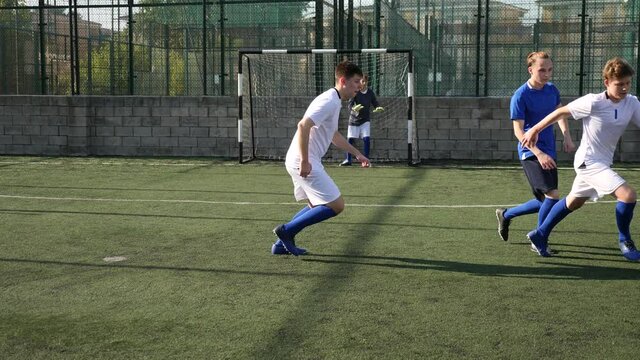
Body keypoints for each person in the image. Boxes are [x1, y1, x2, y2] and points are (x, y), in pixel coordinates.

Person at [522, 57, 640, 261]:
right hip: (589, 162)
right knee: (628, 195)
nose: (624, 88)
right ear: (607, 82)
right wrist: (534, 129)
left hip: (603, 162)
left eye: (627, 83)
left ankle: (540, 235)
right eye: (619, 84)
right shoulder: (593, 101)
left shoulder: (632, 103)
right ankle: (625, 241)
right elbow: (560, 112)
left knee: (573, 202)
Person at [271, 60, 371, 256]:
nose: (359, 86)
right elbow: (303, 126)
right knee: (336, 205)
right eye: (356, 81)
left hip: (298, 159)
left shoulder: (334, 101)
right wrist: (306, 160)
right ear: (343, 80)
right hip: (303, 160)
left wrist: (356, 153)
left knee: (315, 204)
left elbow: (333, 135)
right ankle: (287, 231)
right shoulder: (329, 101)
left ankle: (279, 245)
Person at [496, 51, 575, 253]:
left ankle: (506, 215)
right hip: (531, 152)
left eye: (550, 70)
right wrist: (538, 153)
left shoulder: (552, 90)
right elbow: (518, 130)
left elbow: (560, 114)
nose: (547, 74)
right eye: (542, 70)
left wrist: (566, 136)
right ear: (531, 70)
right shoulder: (520, 95)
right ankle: (539, 240)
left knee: (545, 201)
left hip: (549, 150)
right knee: (553, 195)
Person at [340, 74, 384, 166]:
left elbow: (375, 103)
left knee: (366, 139)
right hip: (353, 120)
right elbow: (350, 105)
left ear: (366, 82)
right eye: (359, 81)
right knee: (350, 140)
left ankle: (366, 161)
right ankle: (348, 160)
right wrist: (354, 109)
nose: (361, 83)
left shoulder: (370, 93)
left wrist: (378, 107)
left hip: (365, 120)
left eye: (363, 81)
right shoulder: (355, 92)